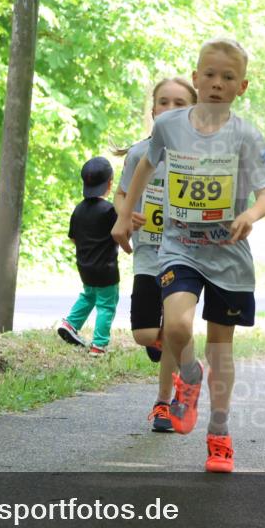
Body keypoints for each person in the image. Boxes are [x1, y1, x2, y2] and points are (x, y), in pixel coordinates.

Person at [111, 38, 265, 473]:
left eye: (227, 78)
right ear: (196, 76)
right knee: (179, 324)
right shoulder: (171, 128)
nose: (216, 83)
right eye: (209, 74)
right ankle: (188, 372)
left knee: (221, 350)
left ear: (242, 86)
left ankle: (219, 436)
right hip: (180, 246)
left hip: (228, 255)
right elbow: (145, 168)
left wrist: (249, 215)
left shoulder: (245, 135)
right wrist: (124, 217)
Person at [114, 77, 198, 432]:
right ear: (153, 111)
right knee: (146, 333)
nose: (170, 109)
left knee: (173, 328)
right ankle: (184, 359)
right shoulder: (139, 154)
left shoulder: (201, 156)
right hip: (148, 253)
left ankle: (166, 403)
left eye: (180, 104)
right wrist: (124, 214)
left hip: (184, 256)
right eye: (164, 102)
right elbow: (121, 196)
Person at [58, 157, 119, 356]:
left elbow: (74, 238)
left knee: (89, 295)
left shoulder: (78, 209)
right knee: (106, 305)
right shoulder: (110, 210)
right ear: (110, 183)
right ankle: (98, 345)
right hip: (106, 269)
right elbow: (119, 232)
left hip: (85, 266)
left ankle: (70, 323)